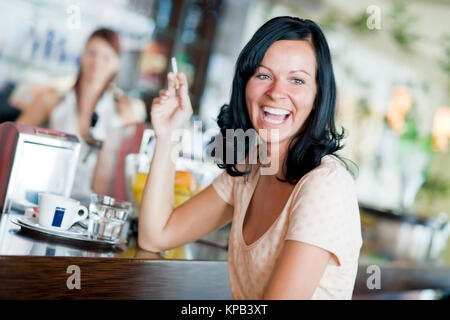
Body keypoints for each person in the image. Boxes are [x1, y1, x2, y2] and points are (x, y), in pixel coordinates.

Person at [138, 16, 362, 300]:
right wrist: (169, 134)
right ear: (245, 84)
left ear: (319, 96)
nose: (276, 92)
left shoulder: (325, 185)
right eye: (263, 75)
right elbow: (156, 235)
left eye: (297, 80)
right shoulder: (252, 165)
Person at [16, 28, 146, 201]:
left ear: (117, 64)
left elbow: (133, 169)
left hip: (95, 206)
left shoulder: (125, 110)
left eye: (106, 57)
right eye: (92, 53)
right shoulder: (53, 99)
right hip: (47, 198)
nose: (97, 62)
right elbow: (13, 138)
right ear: (82, 55)